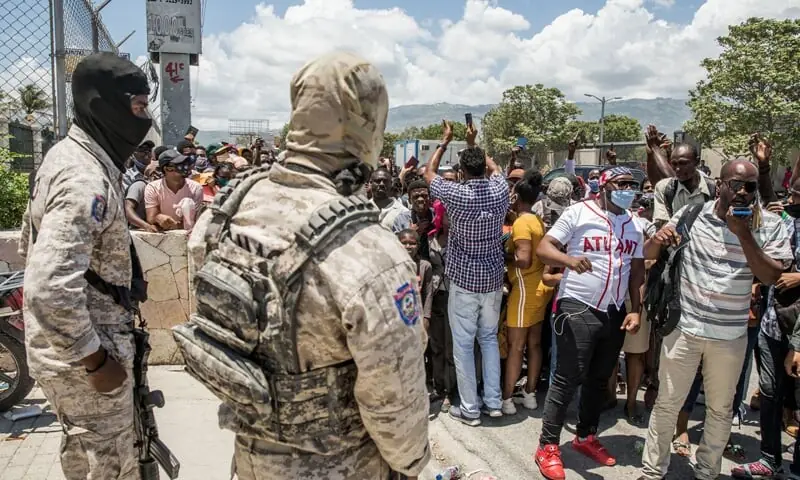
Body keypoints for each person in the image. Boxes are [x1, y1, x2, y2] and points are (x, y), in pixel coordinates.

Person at [181, 51, 429, 480]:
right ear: (370, 124)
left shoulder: (222, 215)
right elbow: (395, 403)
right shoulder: (371, 254)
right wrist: (412, 465)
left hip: (251, 459)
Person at [18, 52, 152, 480]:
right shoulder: (83, 179)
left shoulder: (70, 158)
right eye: (137, 106)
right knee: (109, 467)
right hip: (88, 363)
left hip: (77, 355)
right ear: (104, 105)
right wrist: (94, 360)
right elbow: (48, 287)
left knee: (86, 458)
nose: (145, 118)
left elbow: (28, 243)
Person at [640, 159, 792, 480]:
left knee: (720, 410)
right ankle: (653, 472)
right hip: (684, 330)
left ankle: (707, 472)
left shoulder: (770, 225)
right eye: (735, 184)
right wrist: (659, 238)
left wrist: (744, 234)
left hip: (730, 336)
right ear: (720, 184)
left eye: (750, 187)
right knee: (668, 403)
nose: (743, 192)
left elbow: (771, 275)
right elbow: (649, 253)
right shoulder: (693, 214)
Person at [534, 166, 646, 480]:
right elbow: (544, 248)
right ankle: (547, 446)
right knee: (567, 378)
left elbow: (638, 272)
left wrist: (635, 310)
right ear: (604, 187)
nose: (627, 189)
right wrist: (569, 261)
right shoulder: (577, 213)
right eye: (621, 184)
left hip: (612, 311)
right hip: (577, 305)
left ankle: (586, 436)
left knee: (600, 379)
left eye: (631, 185)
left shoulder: (633, 224)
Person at [423, 120, 509, 425]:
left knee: (462, 344)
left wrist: (446, 141)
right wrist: (475, 144)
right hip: (493, 279)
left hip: (463, 280)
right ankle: (494, 402)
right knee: (487, 339)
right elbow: (495, 167)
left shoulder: (456, 195)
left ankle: (470, 409)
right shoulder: (500, 190)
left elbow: (429, 173)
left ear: (460, 172)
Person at [502, 169, 548, 414]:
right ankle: (529, 394)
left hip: (523, 291)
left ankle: (507, 399)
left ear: (517, 196)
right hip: (540, 289)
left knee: (516, 347)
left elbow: (523, 259)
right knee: (535, 344)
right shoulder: (537, 221)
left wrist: (504, 255)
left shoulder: (520, 223)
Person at [652, 143, 717, 227]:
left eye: (683, 163)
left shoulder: (713, 188)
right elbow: (662, 225)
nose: (678, 169)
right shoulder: (664, 188)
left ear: (696, 162)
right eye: (674, 164)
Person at [144, 149, 203, 231]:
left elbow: (196, 220)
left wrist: (175, 226)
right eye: (179, 164)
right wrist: (158, 218)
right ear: (167, 169)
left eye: (184, 163)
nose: (184, 166)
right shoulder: (153, 188)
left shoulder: (196, 188)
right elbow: (150, 217)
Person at [370, 166, 411, 232]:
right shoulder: (362, 209)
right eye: (377, 181)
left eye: (385, 181)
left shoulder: (403, 212)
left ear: (391, 184)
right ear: (370, 183)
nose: (381, 184)